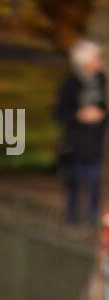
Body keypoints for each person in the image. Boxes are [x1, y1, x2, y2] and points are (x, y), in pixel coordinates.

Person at [54, 38, 107, 226]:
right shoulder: (71, 84)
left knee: (95, 183)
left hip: (95, 142)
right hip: (76, 143)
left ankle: (93, 221)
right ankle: (72, 219)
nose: (100, 61)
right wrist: (80, 116)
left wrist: (101, 115)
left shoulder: (101, 80)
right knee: (74, 183)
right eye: (97, 58)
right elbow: (60, 113)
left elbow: (103, 107)